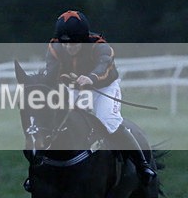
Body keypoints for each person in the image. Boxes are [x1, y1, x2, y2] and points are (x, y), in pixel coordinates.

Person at [44, 10, 157, 186]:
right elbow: (51, 73)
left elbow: (104, 67)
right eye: (65, 44)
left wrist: (91, 78)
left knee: (107, 120)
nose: (68, 48)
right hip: (74, 87)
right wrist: (62, 80)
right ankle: (43, 169)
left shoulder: (100, 46)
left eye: (74, 43)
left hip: (104, 87)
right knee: (58, 120)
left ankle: (142, 165)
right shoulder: (54, 48)